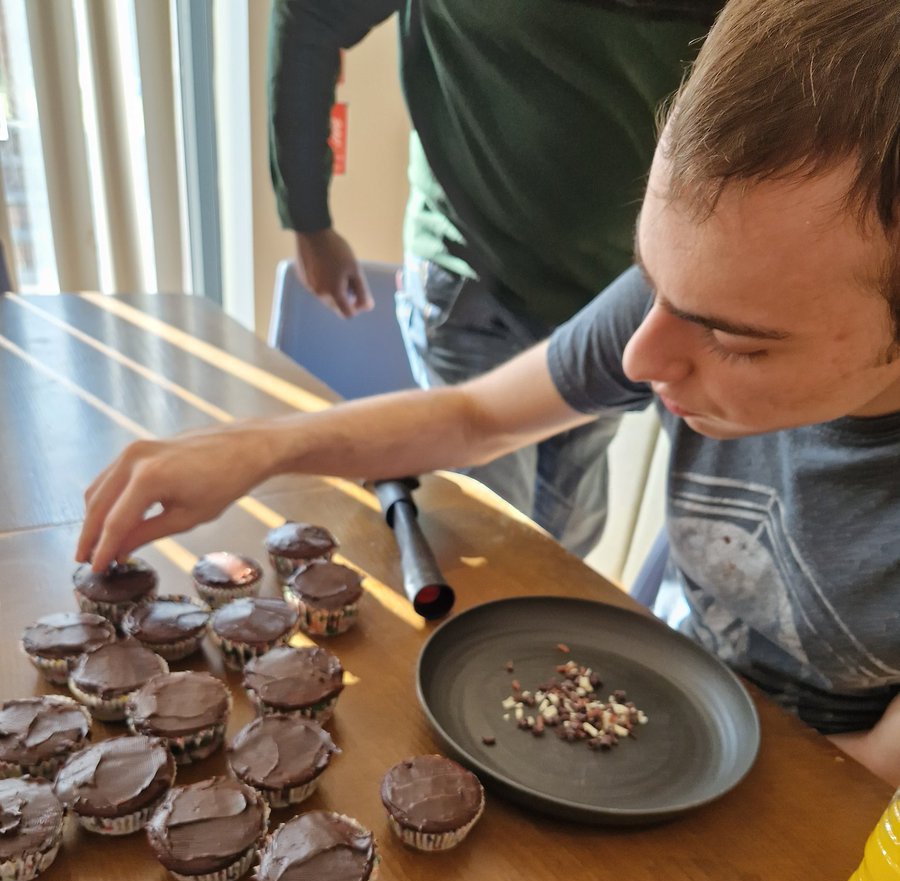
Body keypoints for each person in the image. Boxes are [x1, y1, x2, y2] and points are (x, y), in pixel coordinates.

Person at [80, 0, 900, 786]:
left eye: (737, 341)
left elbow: (860, 789)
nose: (642, 359)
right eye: (649, 280)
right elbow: (475, 415)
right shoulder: (702, 298)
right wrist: (262, 445)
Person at [268, 0, 720, 557]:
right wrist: (309, 220)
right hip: (475, 282)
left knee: (561, 554)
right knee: (480, 556)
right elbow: (311, 16)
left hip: (619, 303)